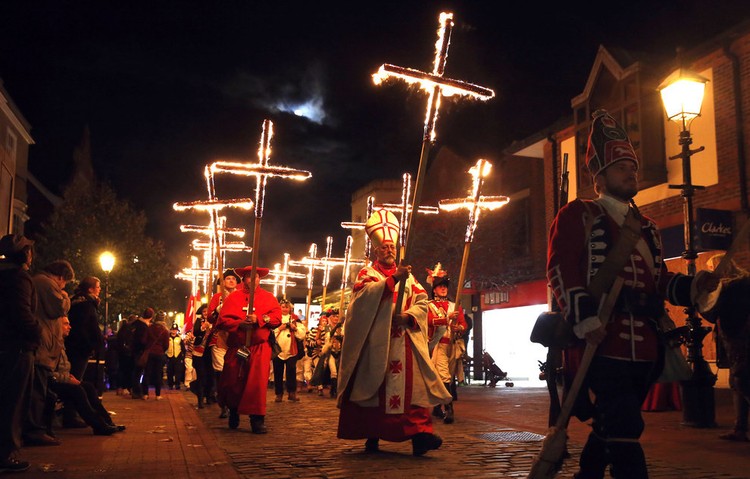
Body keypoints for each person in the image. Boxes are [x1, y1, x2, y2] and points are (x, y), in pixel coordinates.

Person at [547, 110, 719, 478]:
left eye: (633, 167)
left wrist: (692, 287)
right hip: (601, 342)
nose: (631, 173)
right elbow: (561, 269)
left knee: (612, 421)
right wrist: (584, 317)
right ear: (601, 175)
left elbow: (659, 280)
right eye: (621, 167)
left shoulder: (648, 228)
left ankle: (588, 474)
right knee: (626, 428)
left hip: (645, 346)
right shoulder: (580, 214)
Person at [336, 210, 451, 456]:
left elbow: (422, 303)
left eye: (392, 247)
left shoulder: (410, 278)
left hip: (406, 344)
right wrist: (391, 282)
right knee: (374, 391)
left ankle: (420, 436)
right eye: (384, 247)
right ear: (376, 251)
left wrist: (409, 316)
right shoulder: (368, 274)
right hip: (377, 344)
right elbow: (362, 302)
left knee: (414, 391)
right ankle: (373, 434)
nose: (389, 251)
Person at [215, 266, 281, 434]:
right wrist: (239, 324)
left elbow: (276, 318)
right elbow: (222, 321)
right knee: (233, 381)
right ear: (244, 279)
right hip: (238, 347)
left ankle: (257, 419)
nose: (254, 280)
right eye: (250, 277)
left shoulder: (269, 297)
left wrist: (260, 319)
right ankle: (233, 412)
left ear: (260, 279)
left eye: (256, 277)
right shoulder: (233, 297)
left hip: (260, 347)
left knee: (257, 384)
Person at [0, 234, 41, 472]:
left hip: (6, 346)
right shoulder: (19, 278)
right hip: (17, 348)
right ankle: (6, 455)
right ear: (24, 254)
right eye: (29, 251)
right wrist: (35, 332)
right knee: (13, 402)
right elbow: (22, 313)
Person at [25, 260, 74, 445]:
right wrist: (65, 296)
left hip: (44, 346)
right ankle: (34, 431)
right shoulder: (46, 283)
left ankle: (38, 429)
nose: (63, 287)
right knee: (38, 391)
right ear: (61, 277)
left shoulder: (40, 282)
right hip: (43, 348)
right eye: (64, 283)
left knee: (42, 391)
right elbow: (59, 308)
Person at [702, 253, 750, 442]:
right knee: (738, 381)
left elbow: (712, 313)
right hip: (742, 337)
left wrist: (702, 298)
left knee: (741, 382)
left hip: (737, 339)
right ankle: (739, 427)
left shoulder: (725, 289)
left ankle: (740, 427)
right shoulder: (746, 282)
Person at [49, 317, 121, 436]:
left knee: (88, 387)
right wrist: (68, 379)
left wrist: (70, 378)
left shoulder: (61, 343)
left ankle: (107, 421)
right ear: (57, 326)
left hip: (64, 378)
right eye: (66, 324)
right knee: (78, 390)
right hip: (54, 381)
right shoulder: (53, 344)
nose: (70, 327)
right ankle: (99, 425)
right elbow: (49, 371)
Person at [425, 267, 467, 424]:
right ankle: (449, 409)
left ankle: (436, 406)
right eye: (440, 286)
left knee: (447, 377)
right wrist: (447, 319)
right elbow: (429, 321)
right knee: (443, 376)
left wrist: (459, 327)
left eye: (445, 286)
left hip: (452, 346)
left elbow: (463, 323)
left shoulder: (454, 305)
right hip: (438, 345)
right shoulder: (429, 305)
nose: (443, 288)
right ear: (434, 289)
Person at [65, 276, 104, 382]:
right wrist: (94, 343)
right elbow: (89, 326)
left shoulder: (75, 301)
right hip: (81, 347)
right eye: (98, 287)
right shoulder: (87, 304)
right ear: (90, 289)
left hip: (73, 344)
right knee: (76, 377)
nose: (100, 289)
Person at [272, 299, 306, 402]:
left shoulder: (295, 319)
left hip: (292, 350)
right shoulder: (275, 319)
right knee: (277, 373)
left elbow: (302, 335)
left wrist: (294, 328)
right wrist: (279, 328)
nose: (285, 309)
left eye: (287, 307)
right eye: (283, 307)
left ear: (290, 308)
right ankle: (279, 394)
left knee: (291, 372)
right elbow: (270, 334)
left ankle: (292, 393)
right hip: (278, 351)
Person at [143, 311, 169, 399]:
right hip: (160, 354)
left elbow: (144, 340)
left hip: (150, 353)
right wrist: (161, 349)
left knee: (147, 373)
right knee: (158, 374)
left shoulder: (149, 328)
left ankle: (145, 394)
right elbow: (166, 345)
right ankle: (158, 394)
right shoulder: (165, 330)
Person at [129, 308, 152, 399]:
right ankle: (138, 391)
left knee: (136, 372)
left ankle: (135, 390)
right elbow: (143, 340)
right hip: (141, 352)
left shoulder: (134, 324)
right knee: (139, 372)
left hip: (134, 350)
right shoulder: (144, 327)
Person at [166, 324, 185, 390]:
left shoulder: (179, 338)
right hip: (169, 356)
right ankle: (170, 384)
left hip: (177, 357)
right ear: (170, 330)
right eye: (173, 330)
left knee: (178, 372)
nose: (174, 331)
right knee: (170, 371)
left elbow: (183, 348)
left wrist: (183, 357)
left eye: (175, 330)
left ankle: (177, 384)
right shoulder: (167, 338)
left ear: (177, 330)